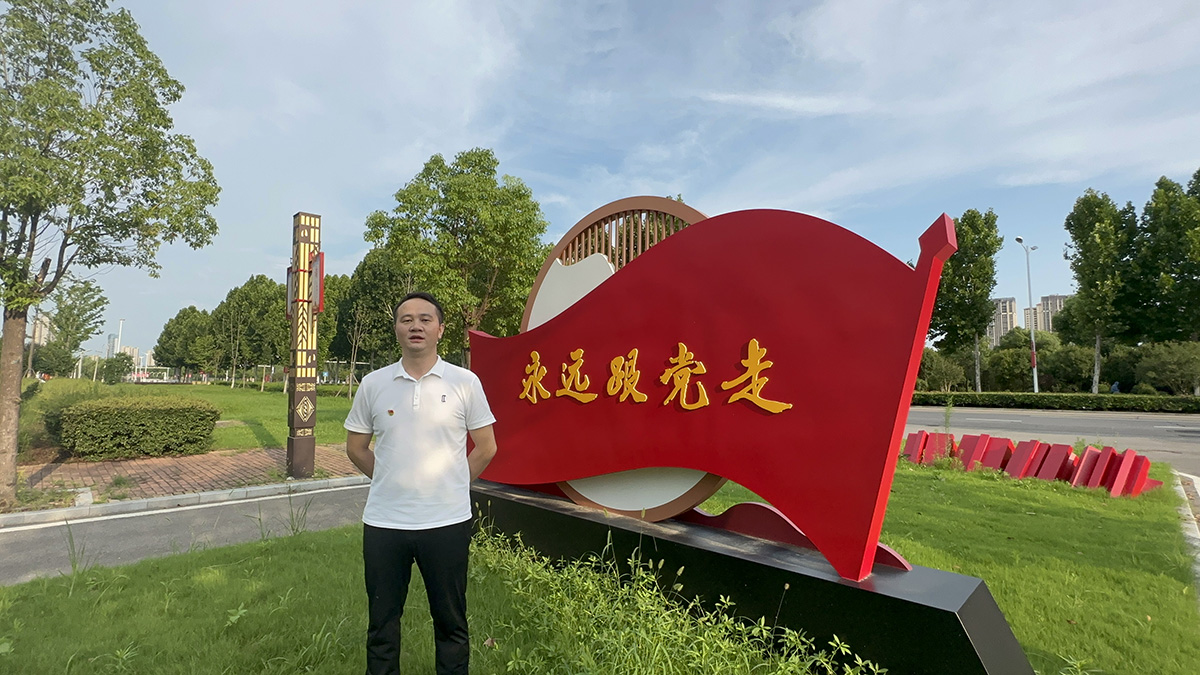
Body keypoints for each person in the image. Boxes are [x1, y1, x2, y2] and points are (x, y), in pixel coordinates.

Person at [344, 291, 498, 675]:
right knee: (382, 624)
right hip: (385, 523)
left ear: (440, 329)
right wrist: (391, 480)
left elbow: (486, 447)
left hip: (446, 522)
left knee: (451, 622)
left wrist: (451, 484)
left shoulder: (465, 382)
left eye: (425, 319)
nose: (416, 326)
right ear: (396, 328)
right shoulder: (374, 384)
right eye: (407, 319)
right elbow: (356, 448)